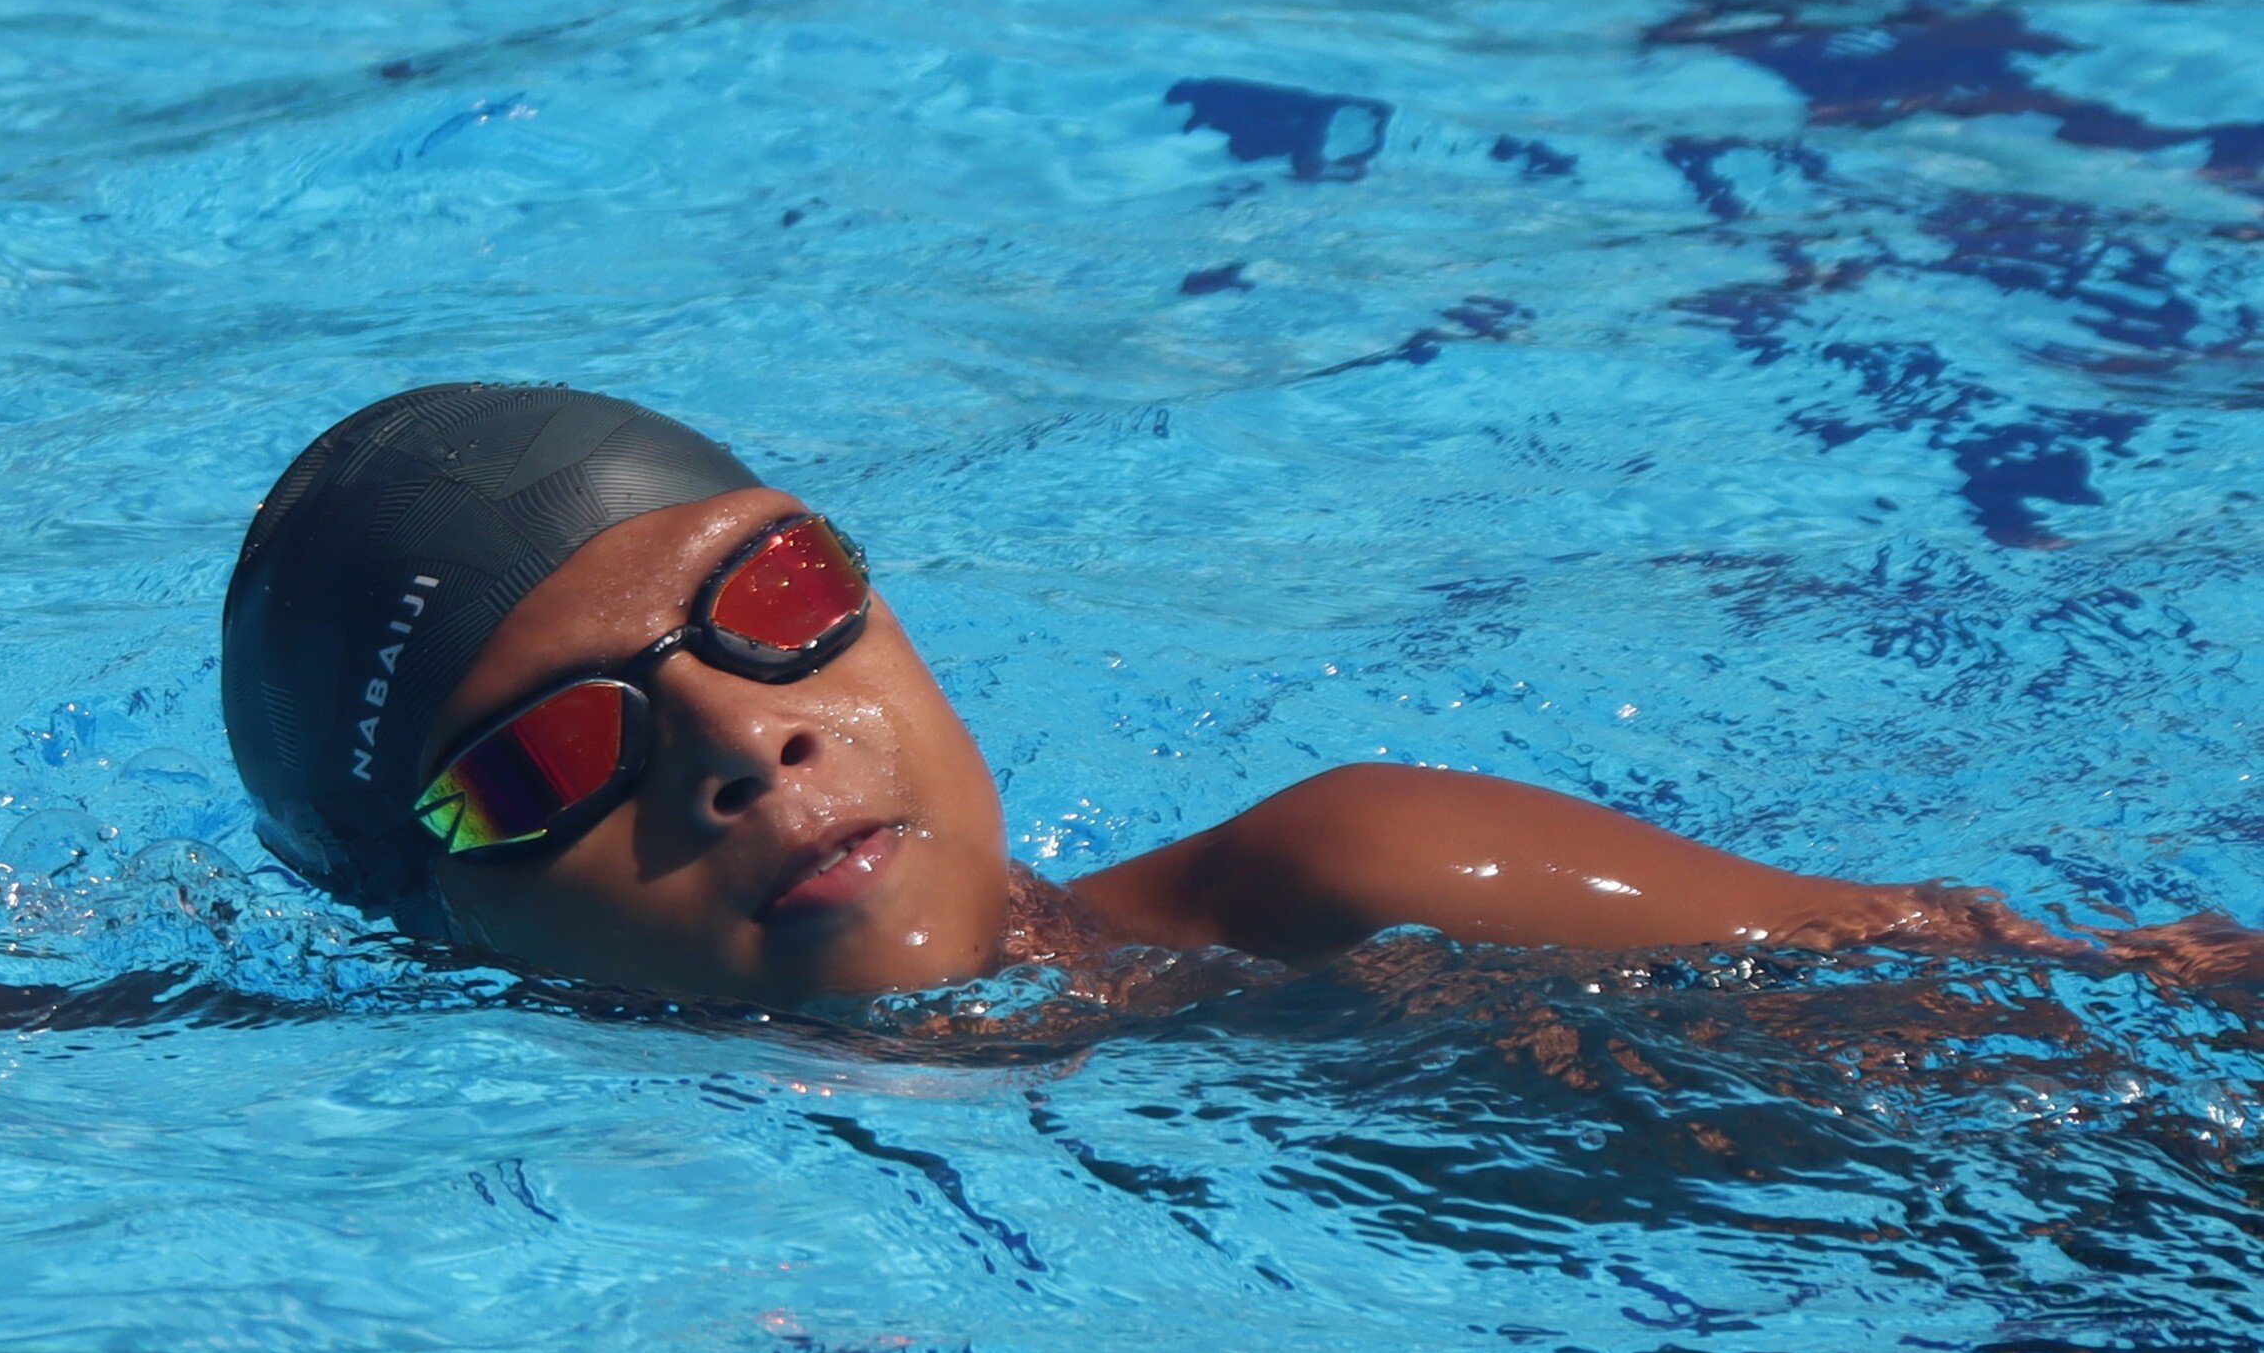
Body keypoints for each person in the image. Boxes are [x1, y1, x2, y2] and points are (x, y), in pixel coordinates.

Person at [221, 383, 2262, 1012]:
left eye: (776, 600)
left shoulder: (1342, 878)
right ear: (436, 922)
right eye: (556, 754)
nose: (752, 737)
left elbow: (2090, 989)